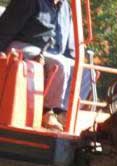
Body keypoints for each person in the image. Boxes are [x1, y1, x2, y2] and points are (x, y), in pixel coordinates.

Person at [0, 0, 91, 131]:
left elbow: (70, 48)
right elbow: (5, 29)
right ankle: (47, 111)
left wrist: (77, 62)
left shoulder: (66, 8)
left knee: (86, 71)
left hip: (53, 53)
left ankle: (64, 114)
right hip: (24, 46)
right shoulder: (29, 2)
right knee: (60, 65)